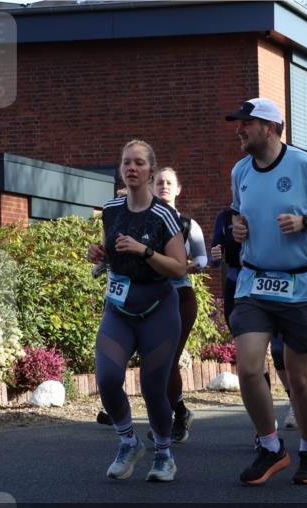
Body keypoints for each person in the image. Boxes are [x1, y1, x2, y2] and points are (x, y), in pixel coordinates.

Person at [226, 98, 307, 485]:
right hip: (255, 282)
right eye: (238, 123)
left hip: (300, 284)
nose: (239, 130)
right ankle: (271, 446)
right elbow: (237, 213)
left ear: (271, 128)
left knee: (299, 378)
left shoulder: (304, 165)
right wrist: (237, 229)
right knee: (248, 368)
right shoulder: (240, 170)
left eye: (247, 123)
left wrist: (305, 221)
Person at [89, 140, 188, 482]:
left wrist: (144, 251)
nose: (131, 168)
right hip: (119, 307)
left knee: (153, 388)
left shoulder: (164, 215)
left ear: (151, 171)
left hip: (158, 308)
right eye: (126, 162)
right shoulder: (111, 209)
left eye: (139, 163)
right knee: (107, 379)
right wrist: (100, 254)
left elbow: (179, 267)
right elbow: (112, 253)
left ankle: (163, 453)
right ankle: (129, 442)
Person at [152, 167, 207, 442]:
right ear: (152, 188)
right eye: (159, 182)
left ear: (178, 189)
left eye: (169, 183)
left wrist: (189, 266)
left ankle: (171, 419)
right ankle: (179, 413)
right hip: (150, 297)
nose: (164, 186)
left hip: (180, 297)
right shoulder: (143, 223)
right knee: (154, 360)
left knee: (168, 359)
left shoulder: (187, 225)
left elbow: (202, 258)